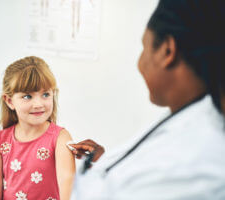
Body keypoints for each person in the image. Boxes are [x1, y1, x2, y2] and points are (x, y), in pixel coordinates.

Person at [70, 0, 225, 199]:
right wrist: (105, 162)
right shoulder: (193, 115)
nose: (139, 63)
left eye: (144, 47)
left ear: (167, 51)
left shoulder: (193, 159)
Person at [0, 56, 75, 200]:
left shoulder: (60, 139)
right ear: (9, 101)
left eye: (45, 94)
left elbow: (68, 188)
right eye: (27, 96)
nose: (38, 104)